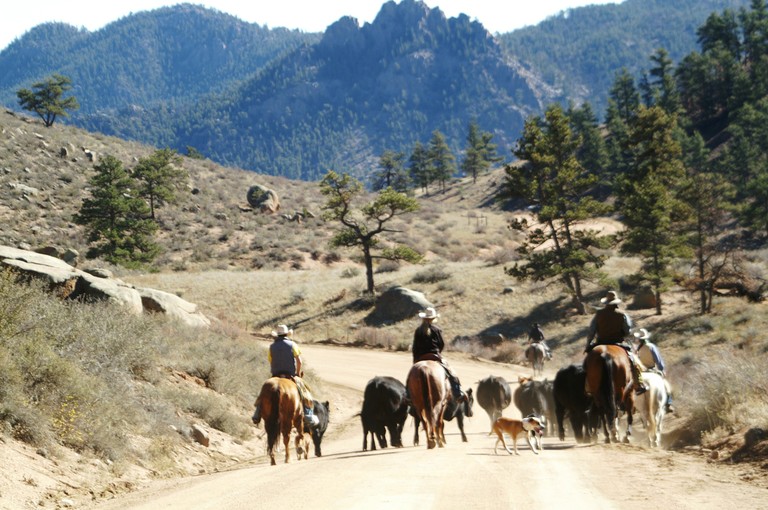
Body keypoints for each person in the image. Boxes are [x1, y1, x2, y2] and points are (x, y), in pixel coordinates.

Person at [252, 324, 319, 427]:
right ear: (287, 334)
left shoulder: (272, 347)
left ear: (277, 335)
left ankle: (257, 413)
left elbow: (271, 361)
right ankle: (308, 415)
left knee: (264, 391)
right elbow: (299, 361)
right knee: (305, 392)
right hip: (290, 374)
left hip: (275, 374)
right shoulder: (293, 345)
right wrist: (297, 373)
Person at [584, 290, 646, 395]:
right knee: (634, 362)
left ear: (606, 303)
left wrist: (588, 344)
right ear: (617, 303)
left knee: (587, 364)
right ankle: (639, 384)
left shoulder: (599, 314)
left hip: (600, 343)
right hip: (619, 343)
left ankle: (587, 385)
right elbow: (628, 331)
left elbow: (591, 331)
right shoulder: (622, 314)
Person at [411, 307, 467, 402]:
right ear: (433, 319)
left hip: (420, 357)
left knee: (411, 376)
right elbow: (441, 344)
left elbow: (415, 347)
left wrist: (416, 360)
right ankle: (458, 393)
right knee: (451, 373)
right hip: (434, 356)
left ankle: (408, 395)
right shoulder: (437, 330)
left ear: (424, 318)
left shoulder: (418, 330)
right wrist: (437, 353)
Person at [633, 328, 675, 413]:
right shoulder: (651, 346)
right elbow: (658, 360)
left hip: (641, 372)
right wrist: (662, 369)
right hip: (651, 370)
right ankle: (668, 404)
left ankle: (633, 407)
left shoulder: (637, 349)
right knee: (666, 385)